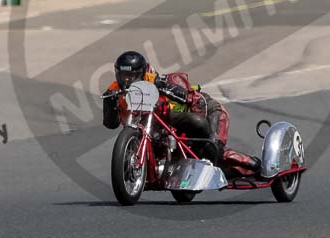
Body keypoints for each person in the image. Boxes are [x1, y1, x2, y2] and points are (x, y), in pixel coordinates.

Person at [103, 51, 261, 176]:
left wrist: (164, 86)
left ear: (142, 73)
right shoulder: (114, 88)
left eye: (132, 76)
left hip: (193, 113)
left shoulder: (154, 79)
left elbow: (182, 95)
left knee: (213, 153)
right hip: (156, 128)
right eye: (124, 76)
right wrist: (110, 103)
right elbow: (111, 124)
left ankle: (254, 164)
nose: (128, 80)